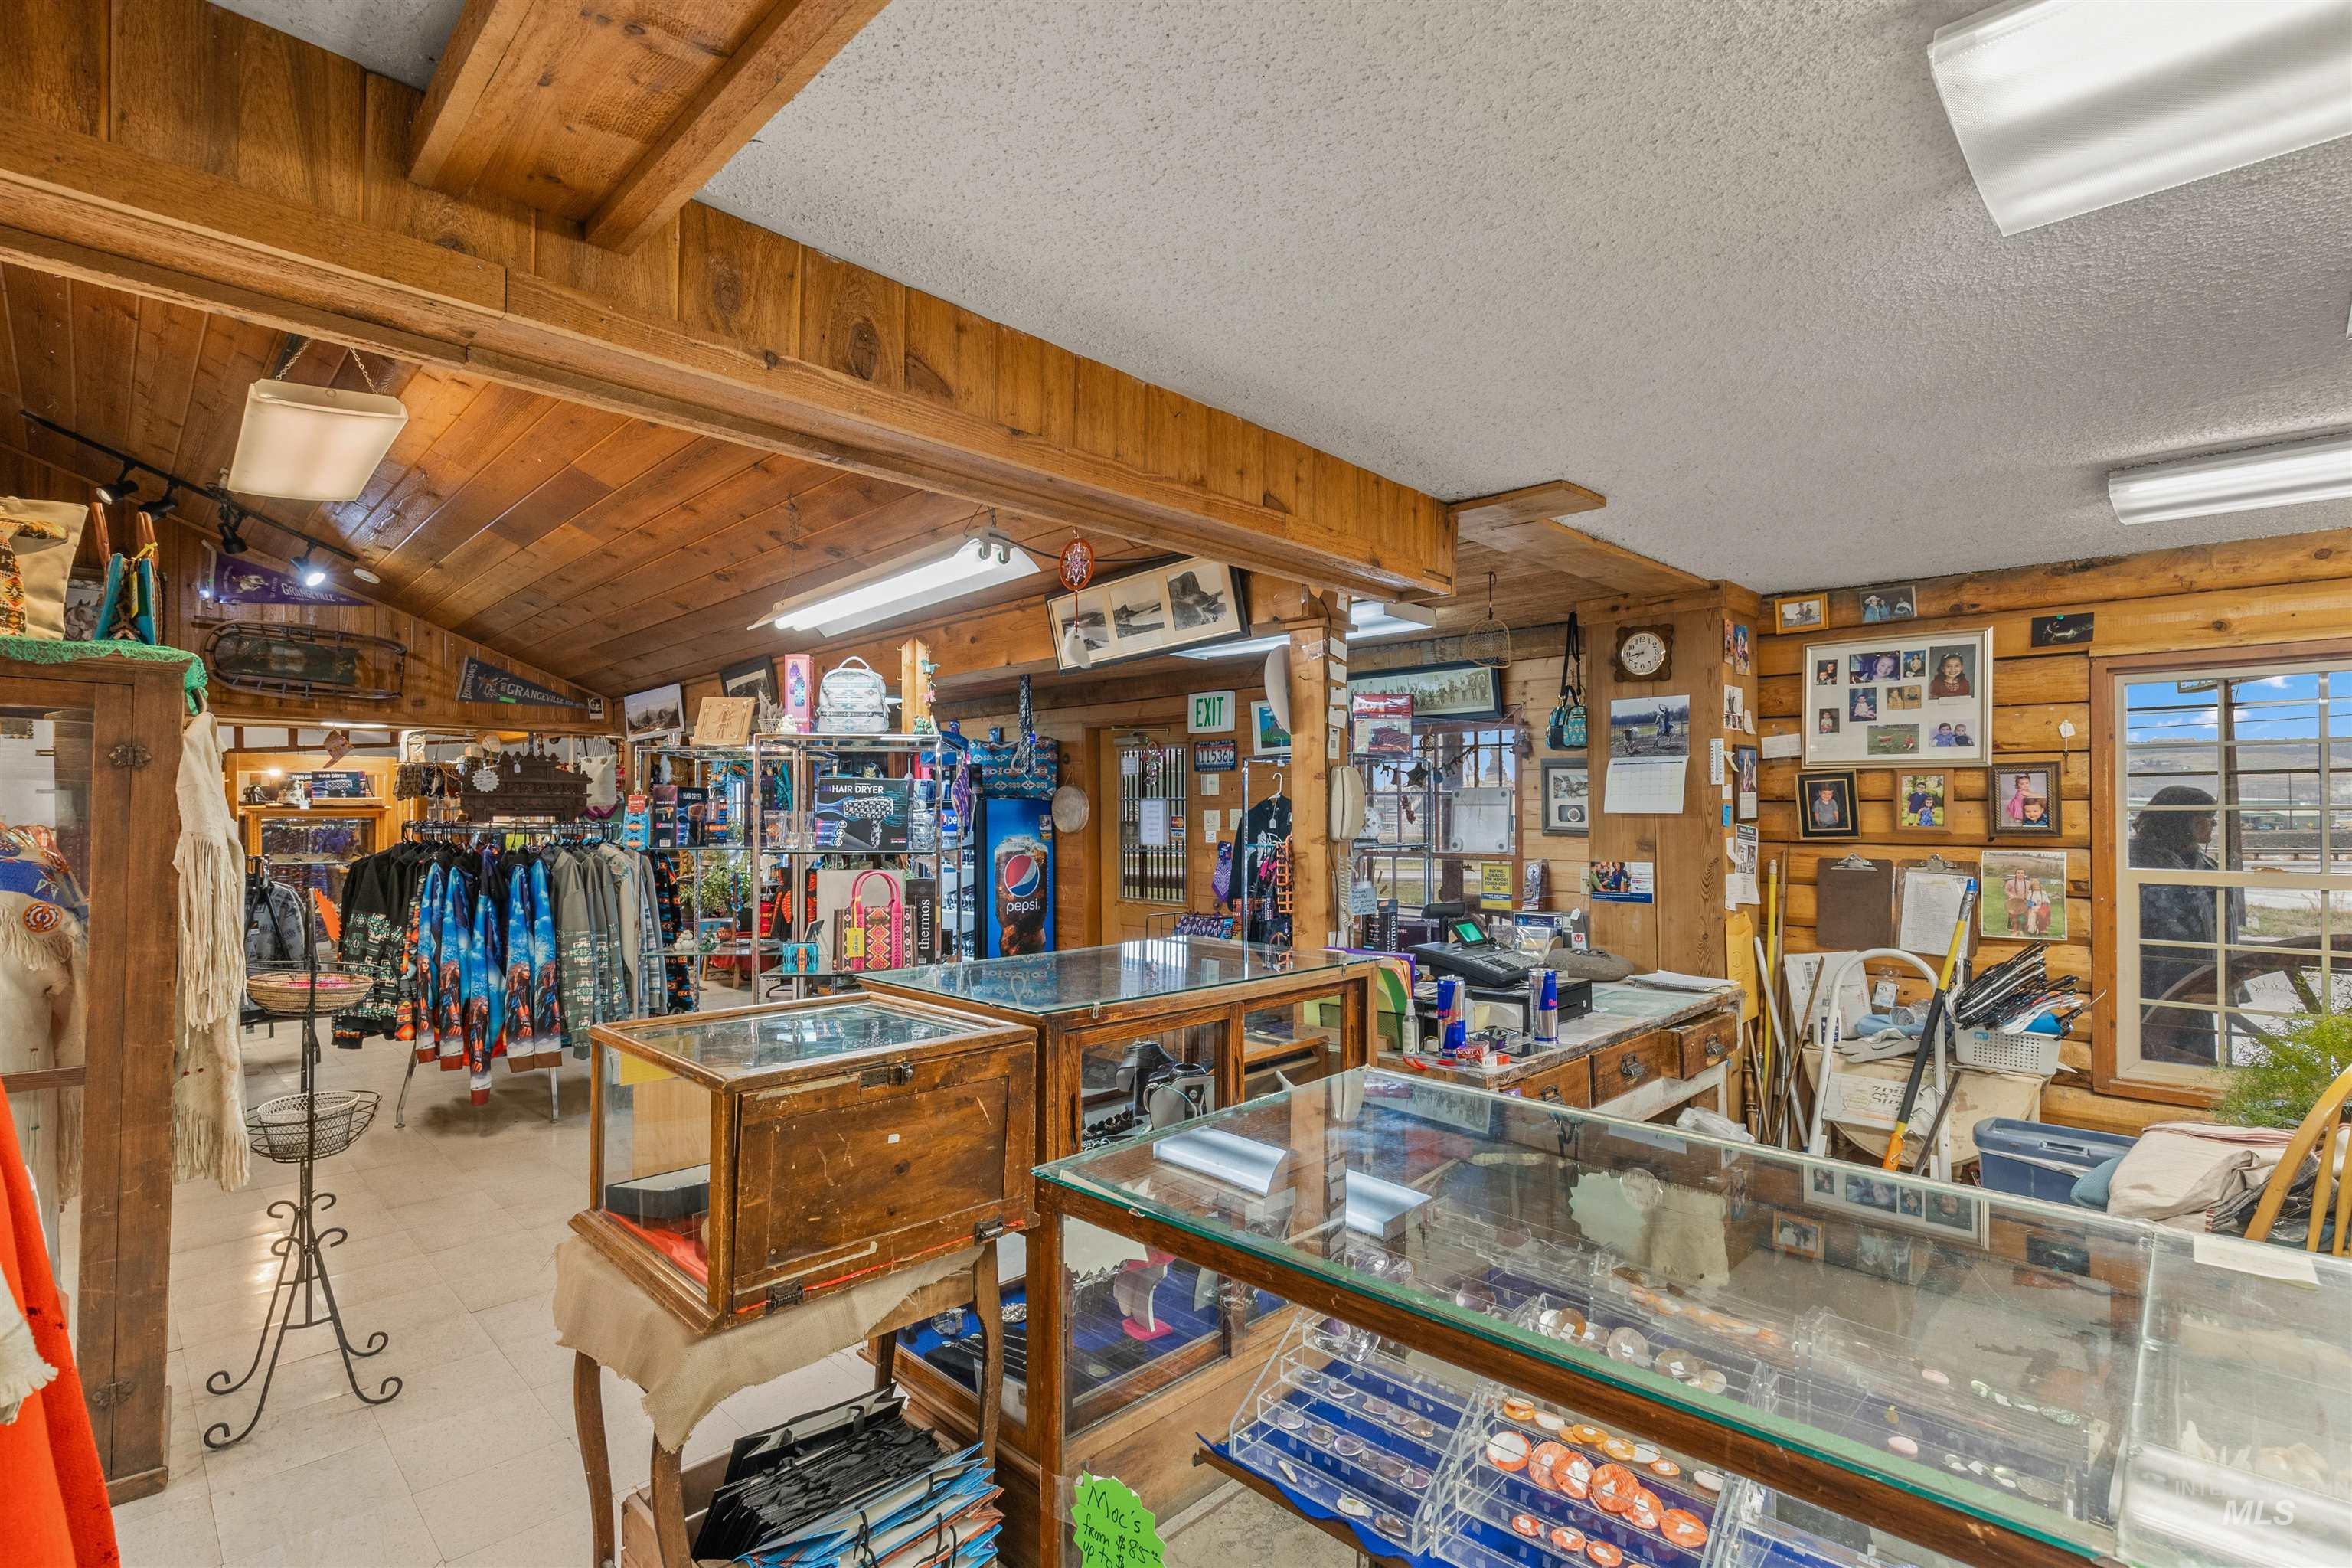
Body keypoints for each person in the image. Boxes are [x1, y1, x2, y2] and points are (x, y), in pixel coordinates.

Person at [2132, 786, 2222, 1064]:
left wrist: (2226, 979)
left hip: (2197, 980)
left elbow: (2219, 926)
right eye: (2208, 818)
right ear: (2185, 821)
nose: (2213, 825)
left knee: (2198, 1057)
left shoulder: (2207, 866)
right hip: (2148, 977)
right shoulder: (2132, 860)